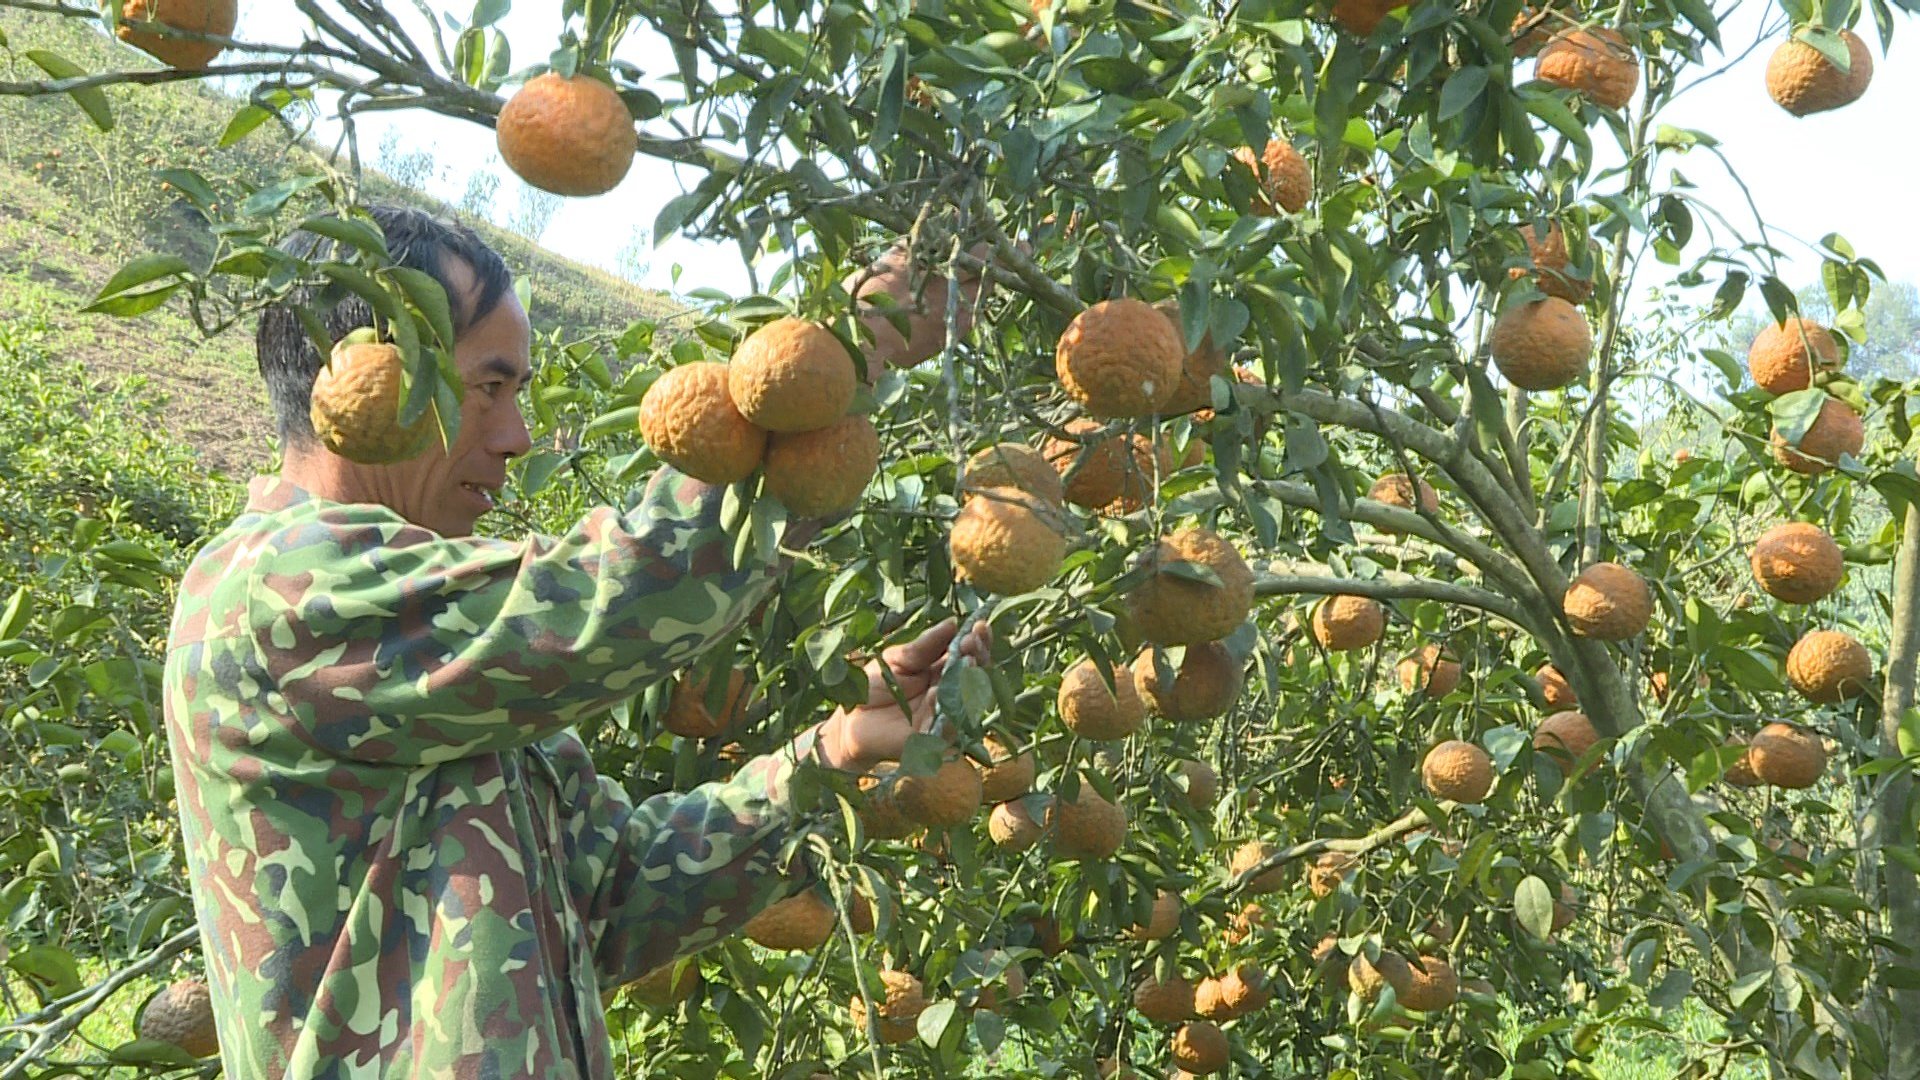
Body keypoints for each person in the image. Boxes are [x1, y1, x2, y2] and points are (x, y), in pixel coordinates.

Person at [161, 206, 990, 1077]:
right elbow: (612, 604)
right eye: (490, 387)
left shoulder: (432, 644)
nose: (516, 436)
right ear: (374, 373)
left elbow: (616, 901)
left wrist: (833, 751)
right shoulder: (281, 588)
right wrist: (850, 349)